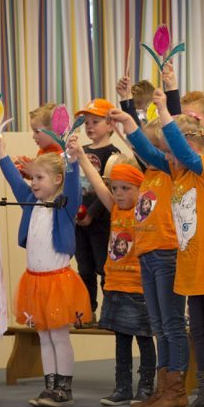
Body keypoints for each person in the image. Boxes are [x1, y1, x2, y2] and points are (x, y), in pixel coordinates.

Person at [114, 86, 204, 407]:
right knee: (197, 332)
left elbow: (181, 152)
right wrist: (129, 121)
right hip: (190, 265)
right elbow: (150, 152)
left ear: (193, 146)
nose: (168, 159)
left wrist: (165, 114)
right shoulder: (176, 171)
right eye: (168, 154)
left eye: (173, 152)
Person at [0, 135, 90, 407]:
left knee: (58, 335)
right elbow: (15, 180)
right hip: (34, 282)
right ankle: (50, 387)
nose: (33, 183)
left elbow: (73, 186)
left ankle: (64, 389)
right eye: (33, 178)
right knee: (43, 335)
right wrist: (1, 153)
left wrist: (72, 160)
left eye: (40, 178)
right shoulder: (29, 200)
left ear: (57, 181)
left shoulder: (64, 205)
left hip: (58, 282)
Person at [72, 139, 156, 406]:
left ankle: (146, 386)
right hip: (115, 284)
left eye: (125, 189)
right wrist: (82, 157)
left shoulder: (144, 212)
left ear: (140, 188)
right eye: (115, 188)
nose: (118, 194)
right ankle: (122, 387)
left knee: (144, 338)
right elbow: (97, 183)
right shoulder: (116, 209)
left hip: (138, 287)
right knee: (121, 339)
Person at [75, 98, 121, 323]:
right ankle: (86, 310)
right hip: (79, 221)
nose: (89, 126)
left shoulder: (114, 154)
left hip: (101, 222)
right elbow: (73, 183)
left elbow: (111, 190)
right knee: (84, 268)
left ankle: (110, 313)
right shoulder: (80, 151)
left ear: (111, 124)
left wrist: (92, 213)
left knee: (105, 267)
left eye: (95, 121)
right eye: (86, 122)